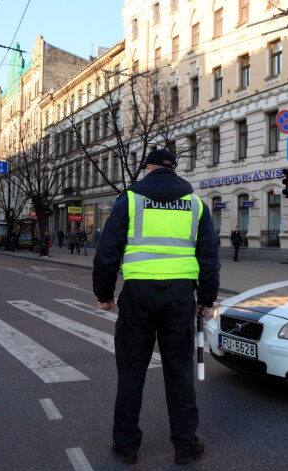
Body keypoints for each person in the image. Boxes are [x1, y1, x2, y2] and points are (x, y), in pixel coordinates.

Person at [93, 148, 220, 465]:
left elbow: (108, 251)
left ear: (147, 168)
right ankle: (185, 445)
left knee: (131, 372)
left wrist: (104, 292)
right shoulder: (194, 205)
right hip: (179, 296)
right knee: (179, 371)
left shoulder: (130, 200)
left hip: (138, 295)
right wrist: (206, 298)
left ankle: (126, 446)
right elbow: (209, 257)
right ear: (174, 170)